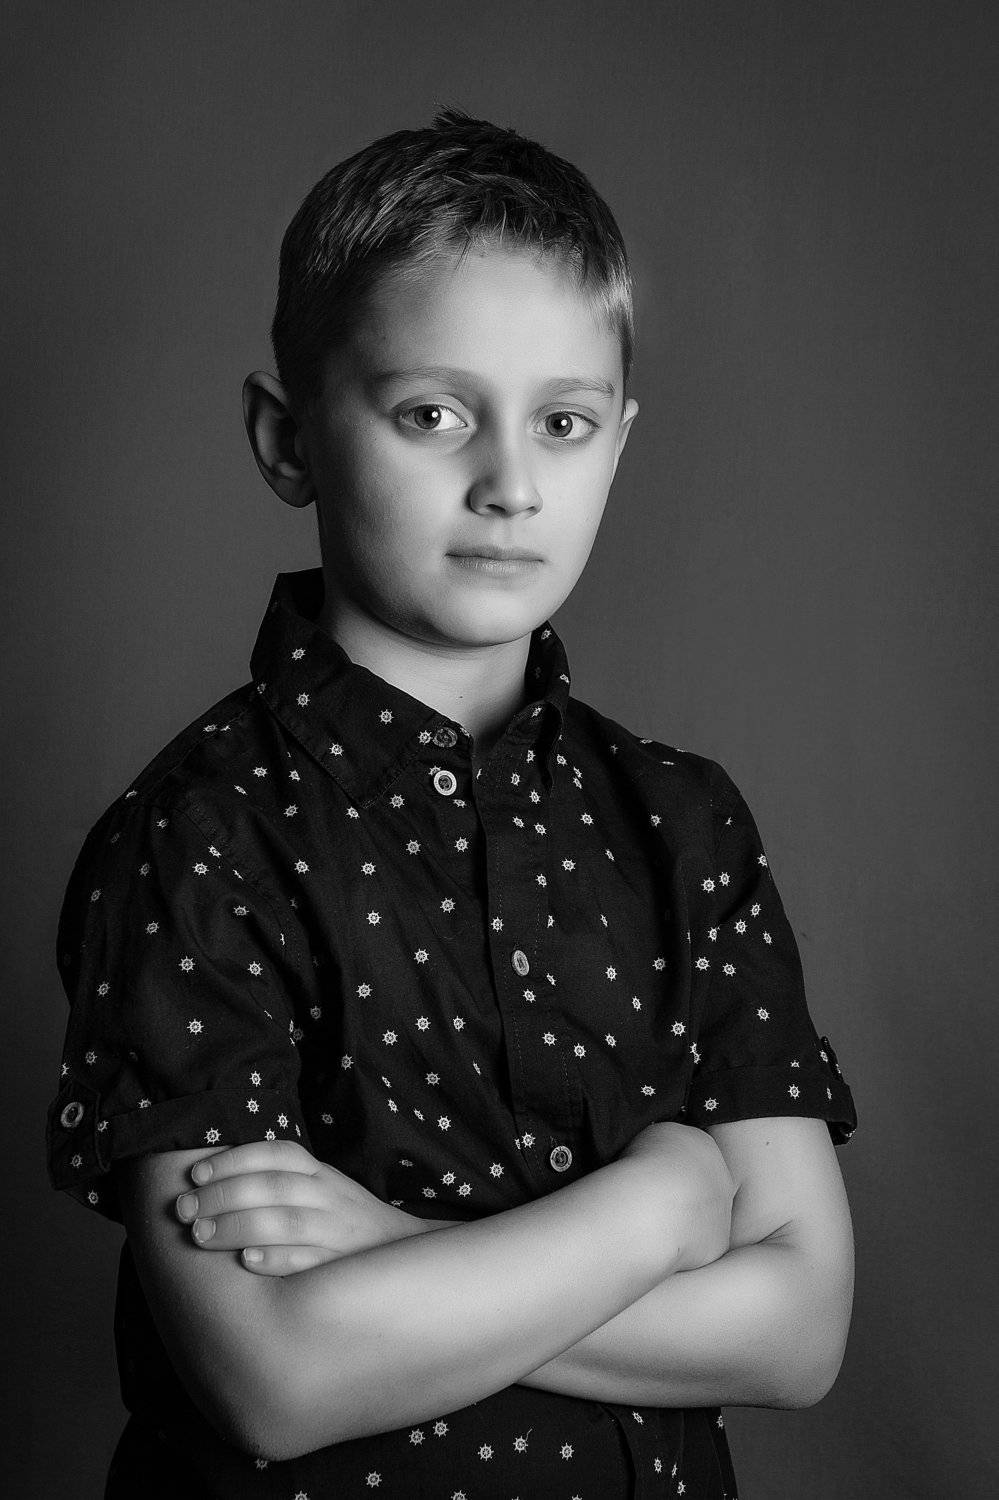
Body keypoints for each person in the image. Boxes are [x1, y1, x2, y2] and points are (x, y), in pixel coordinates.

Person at [48, 109, 856, 1499]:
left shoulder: (686, 824)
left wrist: (395, 1255)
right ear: (288, 439)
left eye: (564, 422)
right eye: (432, 414)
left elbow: (798, 1331)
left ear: (618, 444)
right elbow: (278, 1378)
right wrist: (658, 1208)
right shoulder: (199, 834)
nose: (510, 484)